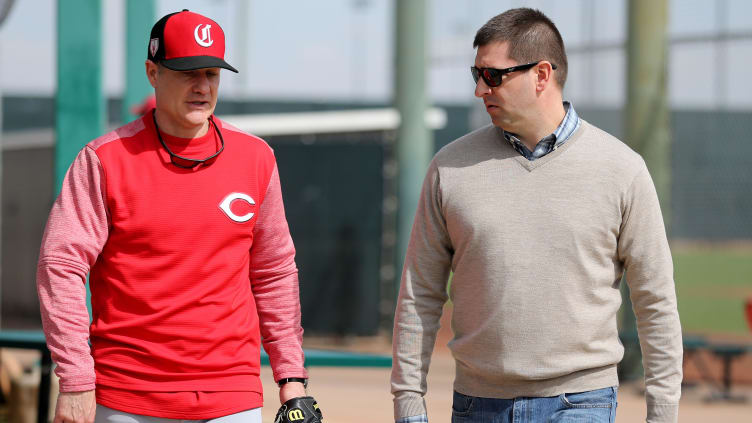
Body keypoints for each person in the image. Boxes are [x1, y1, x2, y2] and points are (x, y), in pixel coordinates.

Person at [391, 8, 682, 423]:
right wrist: (408, 405)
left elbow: (656, 300)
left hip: (582, 402)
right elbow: (419, 294)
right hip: (476, 404)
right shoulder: (448, 168)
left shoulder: (622, 169)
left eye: (493, 75)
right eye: (475, 74)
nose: (479, 89)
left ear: (542, 74)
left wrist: (664, 414)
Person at [37, 10, 311, 423]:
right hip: (128, 395)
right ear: (152, 72)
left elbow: (274, 272)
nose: (202, 86)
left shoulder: (256, 158)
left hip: (231, 395)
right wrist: (76, 378)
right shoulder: (103, 159)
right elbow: (60, 266)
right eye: (187, 72)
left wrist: (291, 378)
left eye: (212, 74)